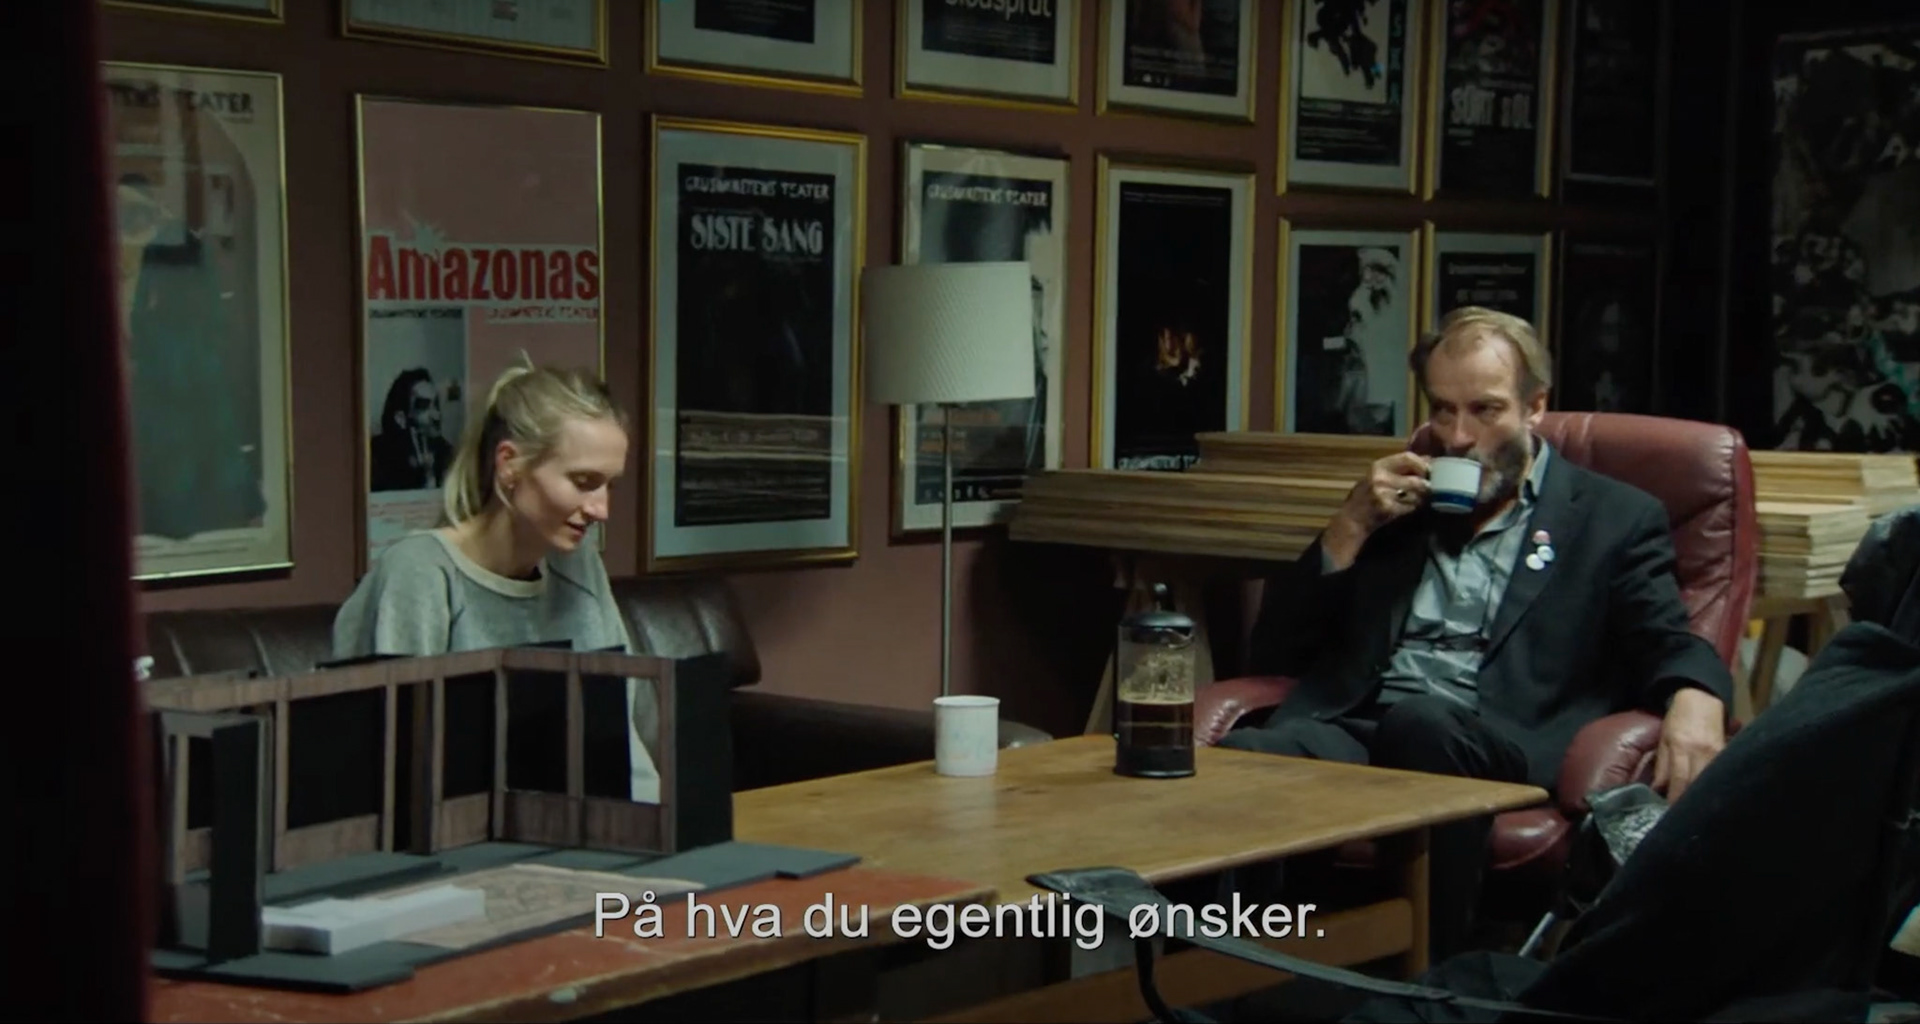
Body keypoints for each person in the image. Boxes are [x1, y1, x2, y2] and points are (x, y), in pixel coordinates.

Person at [1217, 306, 1733, 959]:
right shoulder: (1399, 506)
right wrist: (1349, 527)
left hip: (1499, 734)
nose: (1458, 437)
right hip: (1365, 722)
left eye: (1485, 410)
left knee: (1424, 724)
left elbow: (1665, 636)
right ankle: (1230, 972)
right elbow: (1278, 650)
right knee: (1253, 754)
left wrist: (1696, 695)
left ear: (1535, 407)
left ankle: (1437, 973)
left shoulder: (1612, 518)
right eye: (1443, 410)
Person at [333, 361, 660, 802]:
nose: (601, 509)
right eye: (583, 482)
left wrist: (658, 825)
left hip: (580, 825)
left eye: (609, 486)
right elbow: (395, 765)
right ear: (509, 465)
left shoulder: (578, 566)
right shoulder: (421, 573)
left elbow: (618, 743)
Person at [369, 367, 454, 492]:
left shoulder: (448, 454)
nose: (436, 415)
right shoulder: (376, 456)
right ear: (401, 418)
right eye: (424, 406)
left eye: (436, 405)